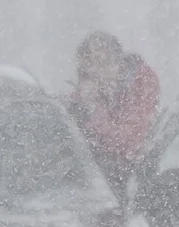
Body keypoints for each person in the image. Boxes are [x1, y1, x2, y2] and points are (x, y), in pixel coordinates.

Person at [68, 31, 160, 195]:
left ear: (118, 61)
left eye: (101, 64)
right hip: (96, 182)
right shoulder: (89, 92)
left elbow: (130, 141)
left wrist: (94, 108)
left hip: (134, 181)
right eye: (87, 69)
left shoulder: (141, 84)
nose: (95, 74)